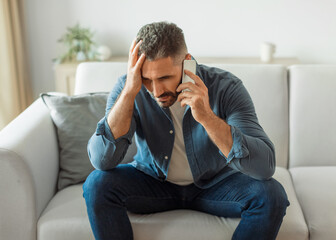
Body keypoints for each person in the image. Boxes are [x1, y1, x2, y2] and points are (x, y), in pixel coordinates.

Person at [83, 21, 289, 240]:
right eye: (147, 79)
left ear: (187, 63)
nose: (156, 90)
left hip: (215, 185)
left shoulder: (226, 87)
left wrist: (207, 118)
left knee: (271, 195)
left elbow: (264, 166)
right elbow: (101, 160)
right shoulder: (130, 87)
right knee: (96, 184)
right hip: (152, 183)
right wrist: (130, 92)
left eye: (164, 78)